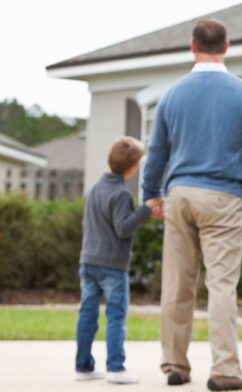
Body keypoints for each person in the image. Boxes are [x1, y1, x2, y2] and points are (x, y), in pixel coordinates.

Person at [141, 19, 242, 391]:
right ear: (226, 47)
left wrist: (150, 193)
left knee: (178, 284)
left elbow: (156, 153)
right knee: (222, 285)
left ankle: (176, 366)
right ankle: (225, 369)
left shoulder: (172, 94)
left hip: (179, 194)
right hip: (224, 197)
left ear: (192, 46)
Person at [75, 136, 156, 385]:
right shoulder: (121, 194)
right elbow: (123, 228)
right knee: (116, 316)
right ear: (132, 169)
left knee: (87, 314)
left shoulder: (94, 189)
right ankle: (116, 367)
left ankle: (83, 366)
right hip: (112, 266)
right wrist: (146, 209)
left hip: (88, 261)